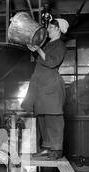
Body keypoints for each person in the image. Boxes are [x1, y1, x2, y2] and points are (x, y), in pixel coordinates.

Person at [21, 18, 69, 159]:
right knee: (42, 117)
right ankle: (47, 147)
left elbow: (51, 62)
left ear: (58, 29)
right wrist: (35, 50)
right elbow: (40, 59)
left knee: (54, 118)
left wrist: (39, 49)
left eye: (50, 27)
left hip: (52, 87)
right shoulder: (49, 44)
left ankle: (57, 150)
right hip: (41, 86)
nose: (47, 30)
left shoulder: (60, 45)